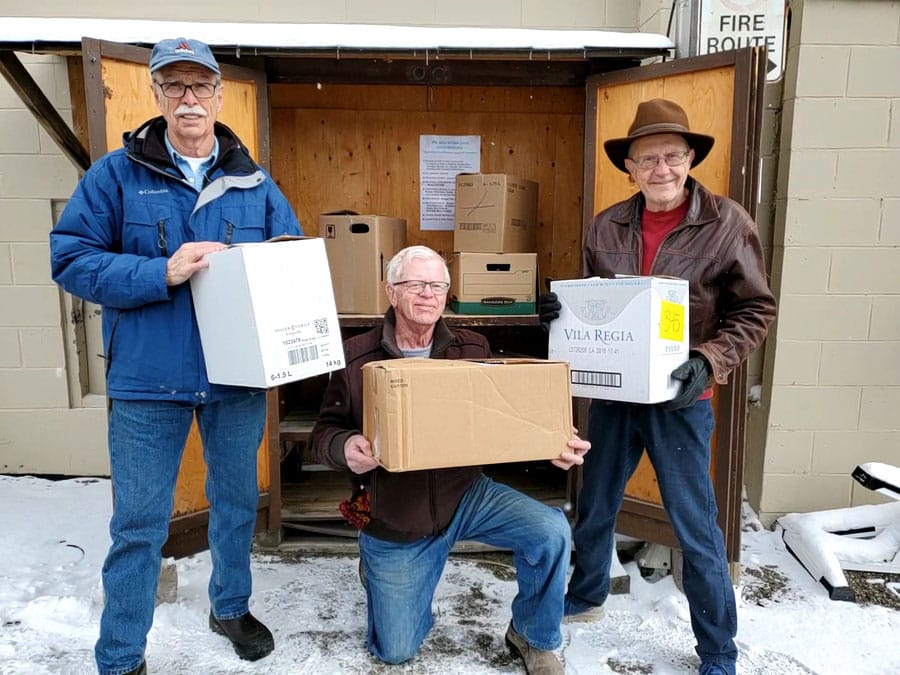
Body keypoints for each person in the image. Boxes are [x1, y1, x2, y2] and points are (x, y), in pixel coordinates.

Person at [49, 38, 302, 675]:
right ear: (156, 96)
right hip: (145, 380)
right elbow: (70, 259)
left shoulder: (254, 181)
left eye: (200, 87)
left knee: (238, 503)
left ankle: (230, 606)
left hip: (235, 377)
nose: (188, 99)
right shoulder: (115, 175)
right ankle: (121, 655)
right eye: (174, 87)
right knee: (138, 522)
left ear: (219, 96)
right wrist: (160, 271)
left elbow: (289, 264)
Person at [539, 99, 776, 675]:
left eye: (672, 156)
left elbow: (756, 310)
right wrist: (560, 309)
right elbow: (597, 303)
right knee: (594, 504)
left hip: (681, 398)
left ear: (690, 158)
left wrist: (709, 358)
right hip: (617, 395)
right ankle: (588, 593)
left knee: (694, 526)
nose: (660, 169)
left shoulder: (728, 223)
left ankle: (718, 648)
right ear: (630, 167)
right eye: (646, 159)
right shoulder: (607, 224)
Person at [310, 245, 590, 674]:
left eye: (438, 285)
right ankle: (379, 567)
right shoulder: (355, 357)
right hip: (396, 514)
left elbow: (504, 416)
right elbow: (322, 434)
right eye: (416, 284)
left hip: (466, 494)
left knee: (550, 530)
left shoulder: (471, 346)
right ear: (391, 291)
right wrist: (344, 446)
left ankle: (532, 635)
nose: (429, 294)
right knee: (397, 649)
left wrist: (553, 442)